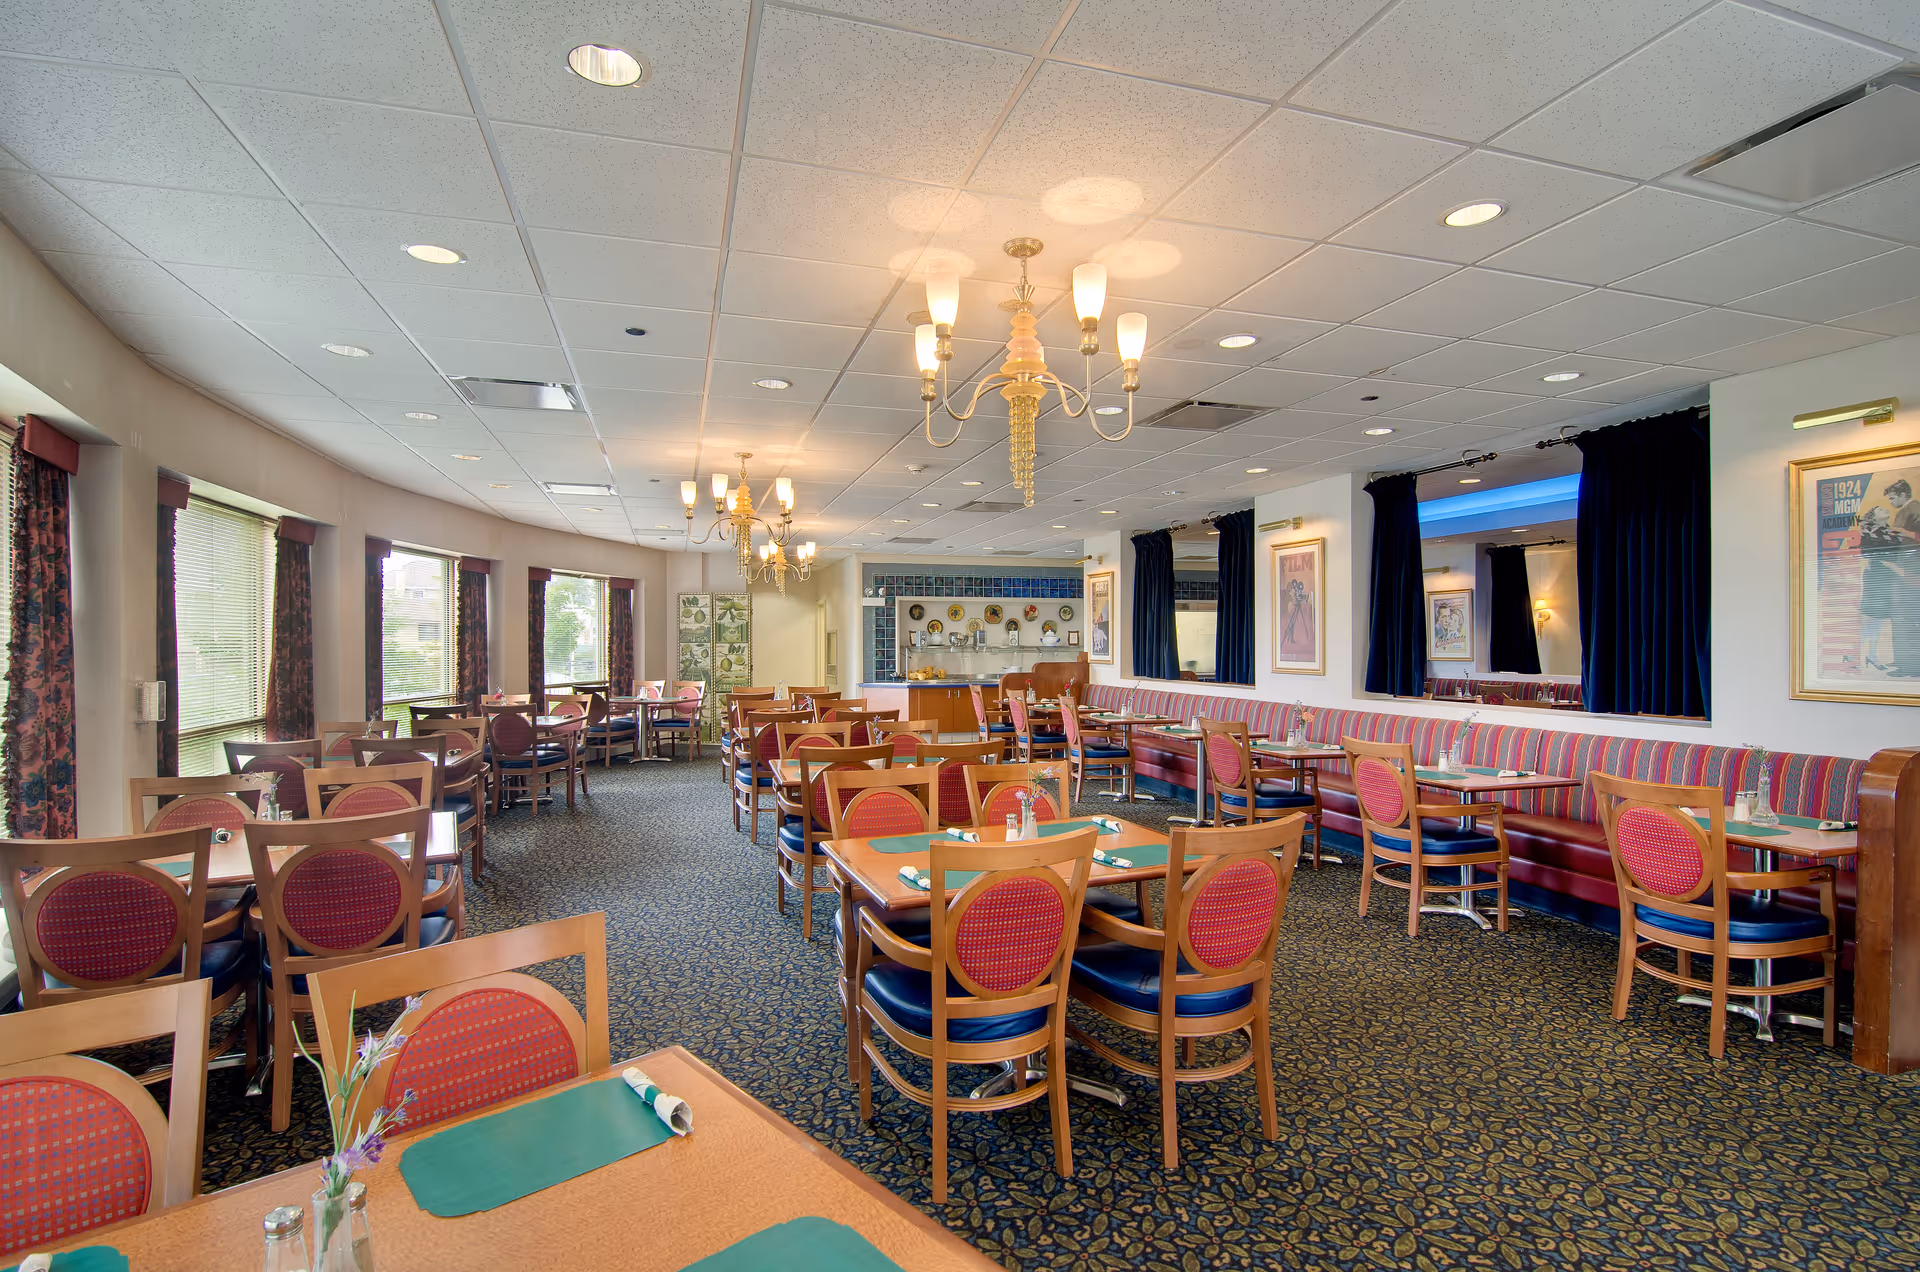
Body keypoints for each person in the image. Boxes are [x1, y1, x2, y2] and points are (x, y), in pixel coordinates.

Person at [1885, 479, 1920, 676]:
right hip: (1904, 572)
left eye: (1892, 498)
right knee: (1900, 618)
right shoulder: (1904, 510)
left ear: (1903, 495)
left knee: (1910, 620)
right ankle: (1903, 660)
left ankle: (1911, 665)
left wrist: (1900, 532)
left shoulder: (1915, 509)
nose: (1890, 501)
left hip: (1913, 574)